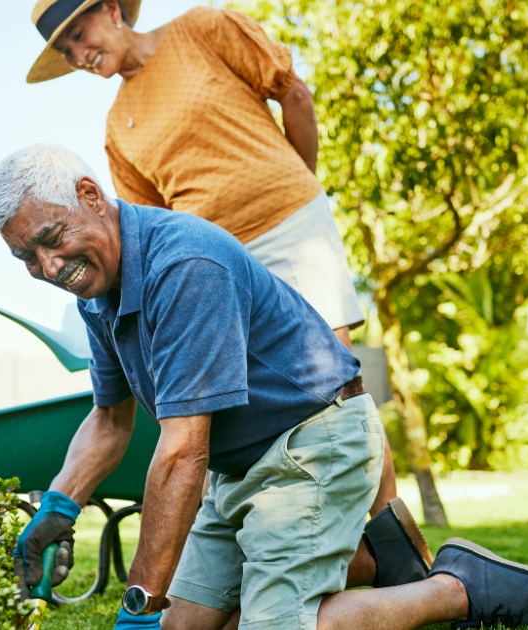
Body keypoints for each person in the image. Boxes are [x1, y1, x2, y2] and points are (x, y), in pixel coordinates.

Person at [0, 144, 528, 630]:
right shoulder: (98, 290)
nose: (47, 268)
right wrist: (57, 508)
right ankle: (365, 560)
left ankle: (459, 589)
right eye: (26, 258)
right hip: (239, 470)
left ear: (90, 196)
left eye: (51, 239)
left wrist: (137, 604)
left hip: (314, 441)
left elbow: (181, 453)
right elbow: (110, 420)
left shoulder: (182, 265)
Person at [23, 0, 412, 589]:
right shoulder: (117, 124)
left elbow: (294, 96)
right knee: (232, 408)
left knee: (333, 383)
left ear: (110, 9)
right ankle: (299, 545)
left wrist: (298, 189)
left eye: (79, 33)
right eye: (67, 50)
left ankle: (398, 549)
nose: (80, 54)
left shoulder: (203, 28)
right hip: (215, 262)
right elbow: (147, 225)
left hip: (289, 224)